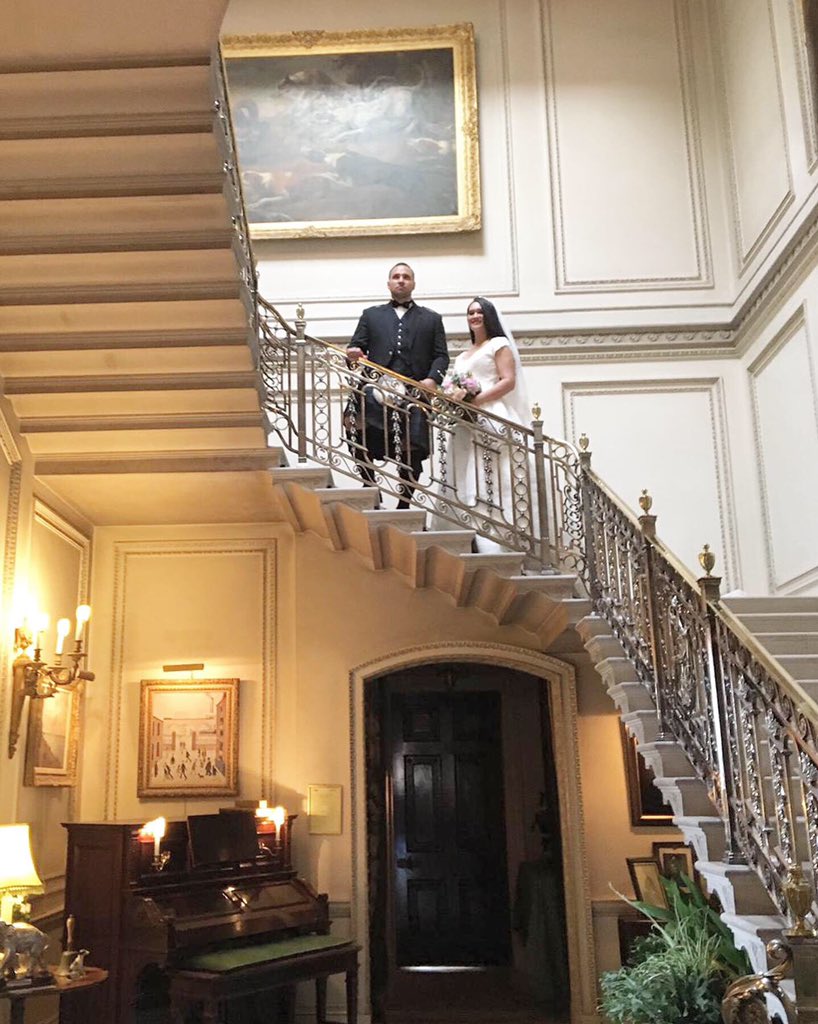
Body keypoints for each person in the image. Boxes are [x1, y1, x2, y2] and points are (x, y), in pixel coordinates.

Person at [346, 262, 449, 508]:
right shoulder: (371, 315)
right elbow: (355, 348)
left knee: (413, 446)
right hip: (375, 386)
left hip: (414, 391)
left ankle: (405, 501)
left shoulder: (432, 319)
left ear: (413, 283)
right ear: (389, 283)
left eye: (406, 277)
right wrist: (353, 354)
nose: (401, 280)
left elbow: (441, 356)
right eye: (396, 276)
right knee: (354, 424)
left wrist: (432, 379)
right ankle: (369, 482)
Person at [434, 297, 532, 550]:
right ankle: (474, 536)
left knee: (495, 473)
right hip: (465, 418)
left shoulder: (498, 344)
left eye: (479, 312)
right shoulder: (463, 355)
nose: (475, 316)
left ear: (488, 316)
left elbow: (508, 380)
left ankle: (502, 538)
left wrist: (476, 400)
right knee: (466, 473)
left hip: (491, 412)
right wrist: (455, 397)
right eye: (470, 313)